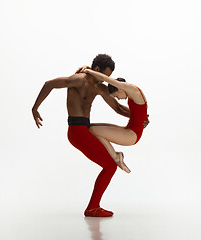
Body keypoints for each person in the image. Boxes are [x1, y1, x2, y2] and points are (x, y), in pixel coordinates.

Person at [32, 54, 129, 217]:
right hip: (76, 131)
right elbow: (49, 84)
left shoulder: (100, 87)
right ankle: (93, 207)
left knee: (110, 165)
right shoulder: (79, 80)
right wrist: (35, 108)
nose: (105, 80)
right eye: (105, 76)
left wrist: (139, 116)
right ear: (97, 69)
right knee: (110, 166)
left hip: (86, 129)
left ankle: (93, 207)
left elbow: (118, 108)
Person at [81, 68, 149, 174]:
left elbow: (105, 78)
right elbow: (139, 113)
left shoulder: (133, 90)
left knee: (93, 130)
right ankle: (115, 156)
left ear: (120, 88)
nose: (119, 99)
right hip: (129, 130)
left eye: (116, 96)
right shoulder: (132, 93)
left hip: (132, 135)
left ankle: (116, 156)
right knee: (89, 127)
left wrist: (88, 71)